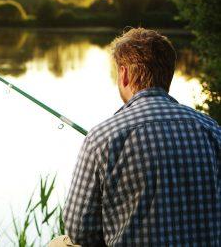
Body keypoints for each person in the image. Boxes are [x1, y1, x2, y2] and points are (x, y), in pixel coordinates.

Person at [61, 28, 221, 246]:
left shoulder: (103, 137)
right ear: (168, 75)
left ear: (124, 74)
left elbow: (79, 229)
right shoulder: (211, 129)